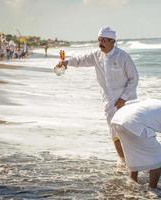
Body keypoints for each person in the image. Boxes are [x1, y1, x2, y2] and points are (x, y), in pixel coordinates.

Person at [55, 26, 139, 163]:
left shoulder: (123, 56)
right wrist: (66, 62)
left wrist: (123, 98)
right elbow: (80, 59)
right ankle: (123, 161)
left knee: (130, 131)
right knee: (114, 132)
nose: (101, 43)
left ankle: (137, 160)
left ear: (113, 41)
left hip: (127, 101)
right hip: (109, 102)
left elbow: (134, 79)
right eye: (99, 40)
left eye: (105, 40)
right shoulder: (96, 55)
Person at [111, 98, 161, 188]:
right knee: (158, 155)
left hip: (117, 119)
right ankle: (153, 190)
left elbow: (128, 103)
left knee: (134, 152)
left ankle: (132, 183)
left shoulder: (158, 103)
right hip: (132, 123)